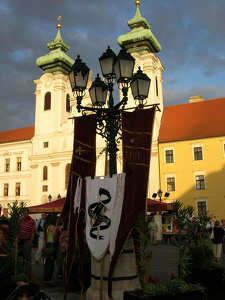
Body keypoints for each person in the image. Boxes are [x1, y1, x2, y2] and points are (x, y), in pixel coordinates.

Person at [19, 208, 36, 278]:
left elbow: (33, 233)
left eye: (26, 213)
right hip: (20, 241)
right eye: (24, 213)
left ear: (28, 213)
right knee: (21, 258)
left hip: (27, 241)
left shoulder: (32, 221)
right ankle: (22, 273)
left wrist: (30, 242)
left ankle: (28, 274)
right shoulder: (20, 220)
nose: (25, 214)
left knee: (27, 259)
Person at [43, 214, 57, 282]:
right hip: (51, 244)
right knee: (50, 263)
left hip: (48, 244)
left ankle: (46, 277)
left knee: (48, 262)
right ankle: (48, 278)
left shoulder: (47, 226)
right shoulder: (52, 227)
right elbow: (54, 235)